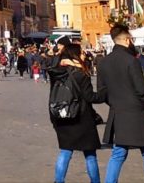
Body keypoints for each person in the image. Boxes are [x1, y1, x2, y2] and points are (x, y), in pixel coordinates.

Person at [96, 25, 144, 183]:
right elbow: (141, 90)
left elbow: (101, 92)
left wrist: (114, 103)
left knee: (118, 153)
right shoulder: (132, 61)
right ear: (127, 40)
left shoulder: (103, 63)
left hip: (118, 112)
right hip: (138, 114)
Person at [48, 43, 104, 183]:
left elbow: (52, 62)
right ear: (75, 55)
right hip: (81, 117)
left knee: (66, 151)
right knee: (90, 155)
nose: (84, 54)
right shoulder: (80, 74)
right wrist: (105, 94)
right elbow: (90, 97)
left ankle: (58, 180)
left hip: (62, 115)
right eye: (82, 52)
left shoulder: (58, 72)